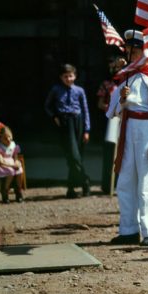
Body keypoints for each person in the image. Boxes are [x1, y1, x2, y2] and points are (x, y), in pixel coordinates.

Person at [106, 30, 148, 246]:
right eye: (128, 50)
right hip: (128, 130)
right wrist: (122, 100)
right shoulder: (125, 77)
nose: (131, 54)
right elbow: (114, 111)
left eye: (135, 50)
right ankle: (129, 229)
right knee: (126, 181)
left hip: (147, 129)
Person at [44, 63, 91, 198]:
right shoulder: (56, 90)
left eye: (70, 76)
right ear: (61, 77)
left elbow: (85, 110)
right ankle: (85, 181)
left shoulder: (79, 91)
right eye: (65, 76)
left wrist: (87, 130)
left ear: (75, 76)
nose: (68, 79)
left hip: (78, 122)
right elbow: (47, 106)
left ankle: (71, 189)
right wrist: (54, 117)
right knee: (73, 156)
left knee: (77, 157)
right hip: (65, 123)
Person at [97, 55, 127, 194]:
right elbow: (100, 103)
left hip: (127, 120)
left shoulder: (128, 82)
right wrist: (112, 109)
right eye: (113, 67)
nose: (115, 69)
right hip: (112, 120)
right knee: (110, 151)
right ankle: (108, 184)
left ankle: (123, 184)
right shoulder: (106, 84)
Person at [0, 123, 24, 203]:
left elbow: (15, 156)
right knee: (10, 171)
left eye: (9, 137)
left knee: (19, 170)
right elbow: (1, 162)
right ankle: (5, 191)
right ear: (0, 138)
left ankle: (18, 191)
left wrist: (16, 162)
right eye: (5, 138)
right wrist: (12, 165)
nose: (8, 139)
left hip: (12, 162)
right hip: (2, 165)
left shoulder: (13, 145)